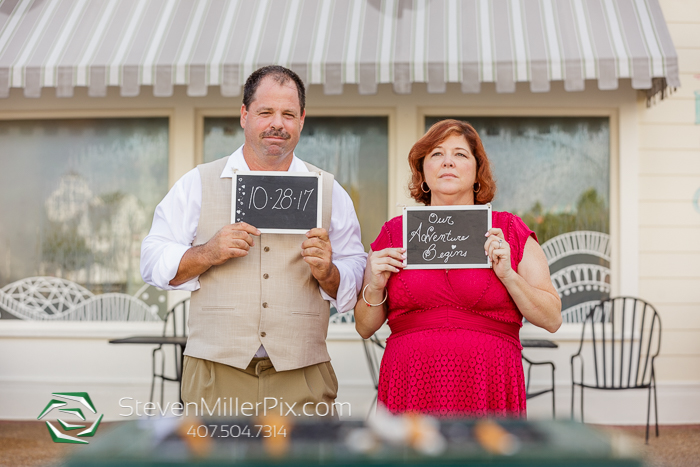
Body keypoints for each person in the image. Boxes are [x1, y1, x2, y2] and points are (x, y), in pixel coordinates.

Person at [141, 66, 367, 416]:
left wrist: (329, 271)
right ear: (244, 115)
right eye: (266, 112)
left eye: (288, 114)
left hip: (301, 374)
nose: (278, 123)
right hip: (217, 372)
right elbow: (153, 260)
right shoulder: (198, 183)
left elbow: (356, 272)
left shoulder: (329, 191)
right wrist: (207, 252)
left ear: (302, 120)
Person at [355, 119, 561, 418]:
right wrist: (374, 286)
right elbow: (364, 326)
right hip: (411, 384)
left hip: (488, 383)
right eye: (436, 154)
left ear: (478, 172)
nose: (448, 161)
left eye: (460, 154)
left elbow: (552, 318)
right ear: (423, 173)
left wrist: (509, 276)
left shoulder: (508, 231)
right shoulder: (394, 234)